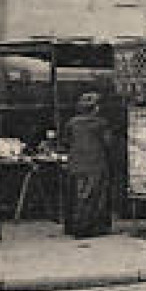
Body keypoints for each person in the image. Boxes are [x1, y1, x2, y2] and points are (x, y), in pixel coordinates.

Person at [63, 92, 116, 238]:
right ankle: (90, 227)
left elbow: (66, 142)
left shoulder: (71, 123)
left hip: (75, 164)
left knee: (77, 195)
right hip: (96, 163)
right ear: (96, 108)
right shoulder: (101, 123)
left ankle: (74, 226)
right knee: (94, 196)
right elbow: (108, 143)